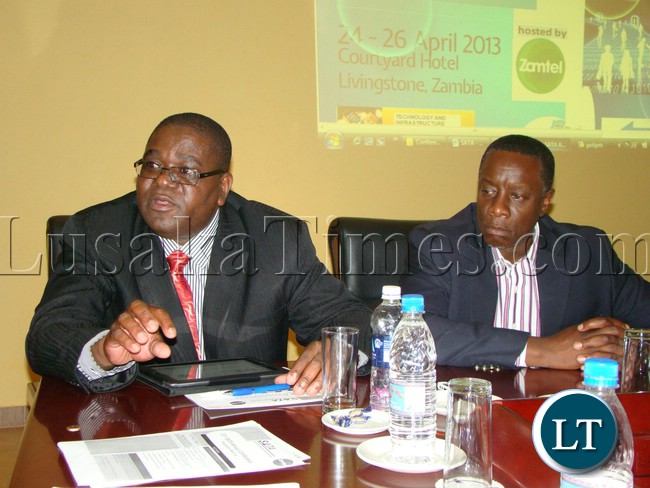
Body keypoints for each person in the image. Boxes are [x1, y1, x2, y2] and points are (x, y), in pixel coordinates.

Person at [27, 113, 371, 394]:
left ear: (222, 188)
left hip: (248, 427)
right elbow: (49, 334)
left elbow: (351, 318)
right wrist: (103, 350)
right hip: (138, 422)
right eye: (152, 166)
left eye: (185, 172)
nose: (162, 182)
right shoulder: (98, 232)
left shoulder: (275, 237)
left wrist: (339, 347)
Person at [402, 134, 650, 370]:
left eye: (517, 196)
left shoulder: (587, 252)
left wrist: (627, 345)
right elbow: (415, 332)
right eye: (488, 191)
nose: (497, 209)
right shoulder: (438, 245)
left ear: (545, 201)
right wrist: (543, 350)